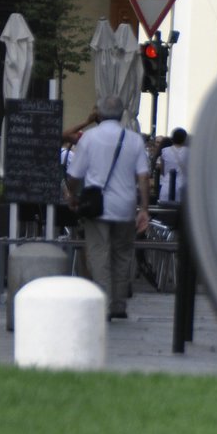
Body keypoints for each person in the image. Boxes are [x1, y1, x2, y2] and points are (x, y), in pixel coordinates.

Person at [65, 94, 152, 320]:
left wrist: (72, 195)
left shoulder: (89, 138)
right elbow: (143, 176)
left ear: (99, 114)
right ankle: (119, 305)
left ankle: (103, 305)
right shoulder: (134, 140)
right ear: (123, 113)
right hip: (125, 206)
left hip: (97, 206)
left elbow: (74, 174)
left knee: (99, 253)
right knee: (123, 254)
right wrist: (144, 208)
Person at [158, 127, 190, 205]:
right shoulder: (189, 152)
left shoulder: (165, 151)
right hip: (183, 189)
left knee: (165, 214)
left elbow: (162, 171)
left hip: (166, 187)